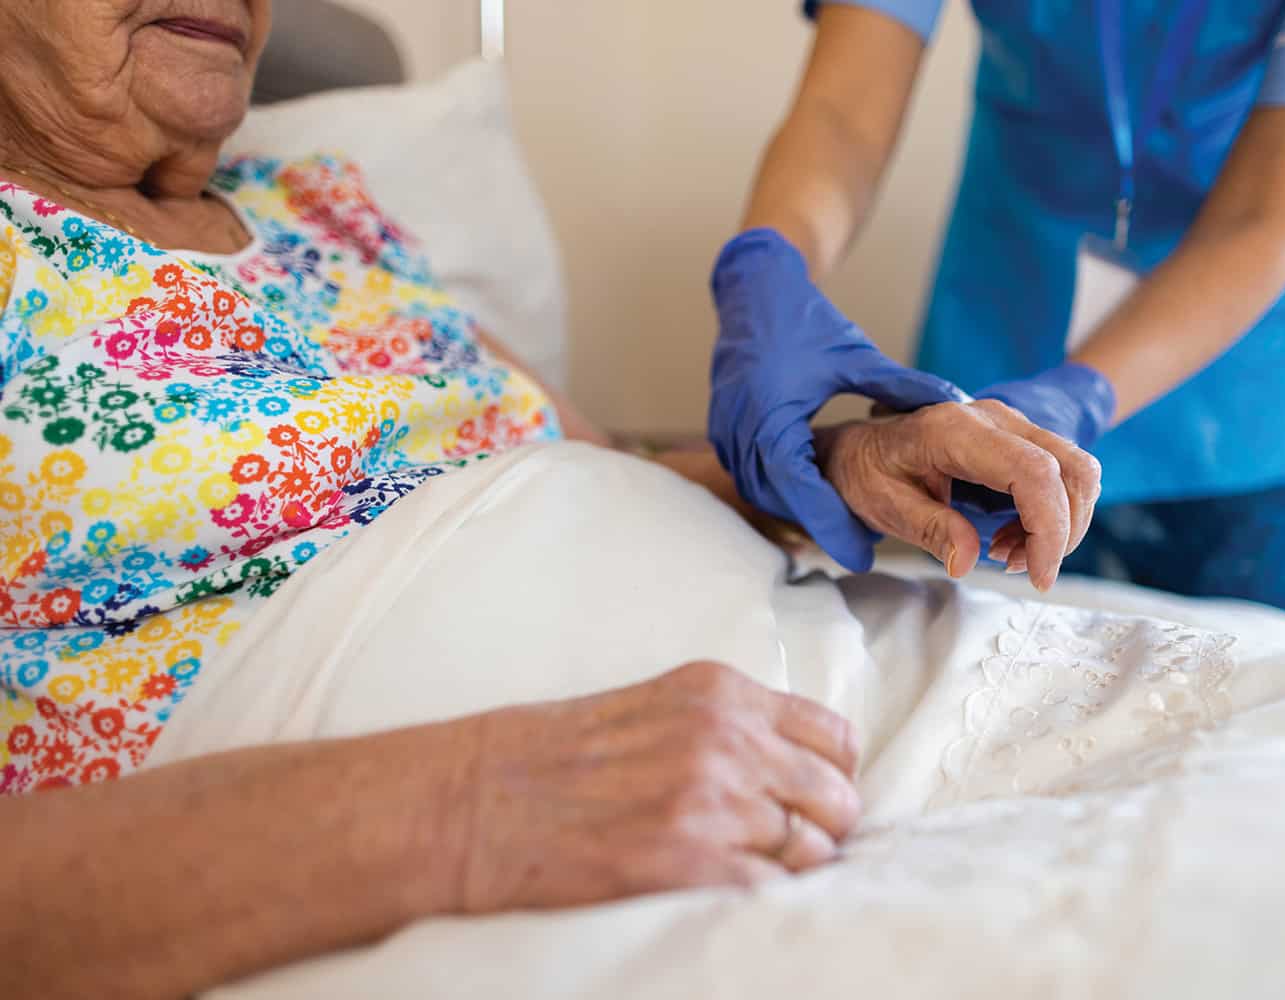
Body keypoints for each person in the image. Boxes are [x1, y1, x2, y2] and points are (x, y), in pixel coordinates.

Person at [0, 2, 1102, 994]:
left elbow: (595, 471)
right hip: (501, 865)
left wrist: (845, 465)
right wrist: (466, 809)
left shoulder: (323, 220)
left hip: (820, 719)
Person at [708, 0, 1285, 613]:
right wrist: (768, 271)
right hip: (1004, 315)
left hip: (1245, 376)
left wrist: (1071, 396)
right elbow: (840, 114)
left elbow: (1262, 216)